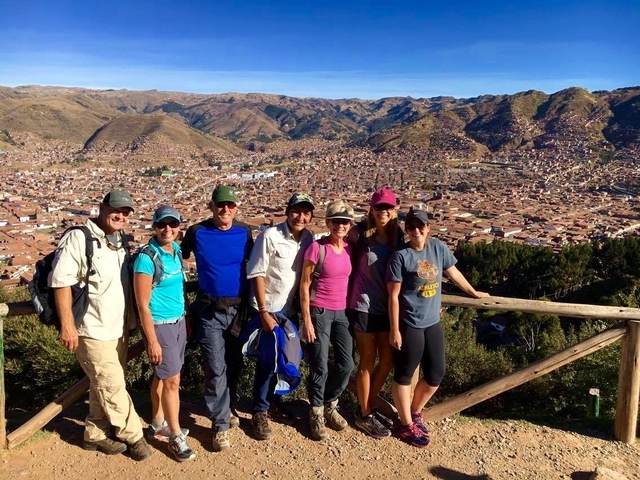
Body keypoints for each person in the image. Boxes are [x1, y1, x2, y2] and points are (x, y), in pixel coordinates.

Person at [50, 189, 152, 461]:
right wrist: (67, 325)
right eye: (116, 210)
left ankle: (94, 434)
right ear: (102, 207)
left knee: (102, 384)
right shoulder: (78, 238)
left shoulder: (119, 240)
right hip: (91, 329)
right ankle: (134, 436)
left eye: (126, 212)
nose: (121, 215)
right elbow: (61, 281)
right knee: (113, 384)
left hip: (117, 328)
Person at [386, 209, 489, 448]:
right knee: (404, 373)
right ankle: (404, 423)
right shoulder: (400, 257)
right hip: (409, 322)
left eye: (420, 226)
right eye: (411, 227)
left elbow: (453, 273)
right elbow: (393, 296)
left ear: (428, 227)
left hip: (432, 321)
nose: (416, 231)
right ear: (406, 230)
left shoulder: (438, 248)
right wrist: (394, 329)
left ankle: (414, 412)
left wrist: (473, 292)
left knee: (436, 373)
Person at [181, 185, 253, 452]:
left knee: (234, 362)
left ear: (236, 208)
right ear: (211, 206)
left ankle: (229, 406)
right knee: (214, 367)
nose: (225, 210)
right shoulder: (197, 232)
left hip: (238, 310)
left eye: (230, 205)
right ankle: (220, 425)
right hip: (208, 311)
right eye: (220, 205)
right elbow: (178, 257)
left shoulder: (244, 232)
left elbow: (254, 264)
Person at [246, 193, 314, 440]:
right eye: (297, 211)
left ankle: (273, 402)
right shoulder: (270, 236)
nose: (301, 216)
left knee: (286, 358)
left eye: (306, 212)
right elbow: (257, 273)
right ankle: (259, 411)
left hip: (289, 311)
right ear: (287, 212)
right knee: (267, 361)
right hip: (270, 309)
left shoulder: (308, 239)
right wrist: (264, 312)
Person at [133, 205, 195, 462]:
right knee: (172, 381)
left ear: (179, 227)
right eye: (162, 225)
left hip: (178, 322)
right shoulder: (147, 258)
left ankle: (158, 422)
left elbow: (178, 289)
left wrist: (187, 317)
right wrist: (152, 340)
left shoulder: (176, 251)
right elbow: (142, 304)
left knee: (163, 376)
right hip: (160, 325)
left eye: (173, 225)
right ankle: (176, 436)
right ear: (155, 226)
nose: (167, 229)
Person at [347, 187, 403, 438]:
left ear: (394, 211)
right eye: (379, 207)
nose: (383, 211)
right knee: (367, 361)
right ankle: (366, 412)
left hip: (387, 309)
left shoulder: (399, 238)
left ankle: (366, 406)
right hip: (362, 306)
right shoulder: (359, 236)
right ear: (371, 209)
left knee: (388, 361)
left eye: (388, 207)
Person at [300, 199, 355, 441]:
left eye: (345, 222)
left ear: (350, 225)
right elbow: (304, 285)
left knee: (346, 364)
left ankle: (330, 403)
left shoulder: (349, 250)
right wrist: (307, 320)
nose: (340, 226)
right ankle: (316, 412)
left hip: (341, 312)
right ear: (328, 222)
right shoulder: (316, 248)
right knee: (319, 365)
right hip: (319, 311)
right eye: (336, 222)